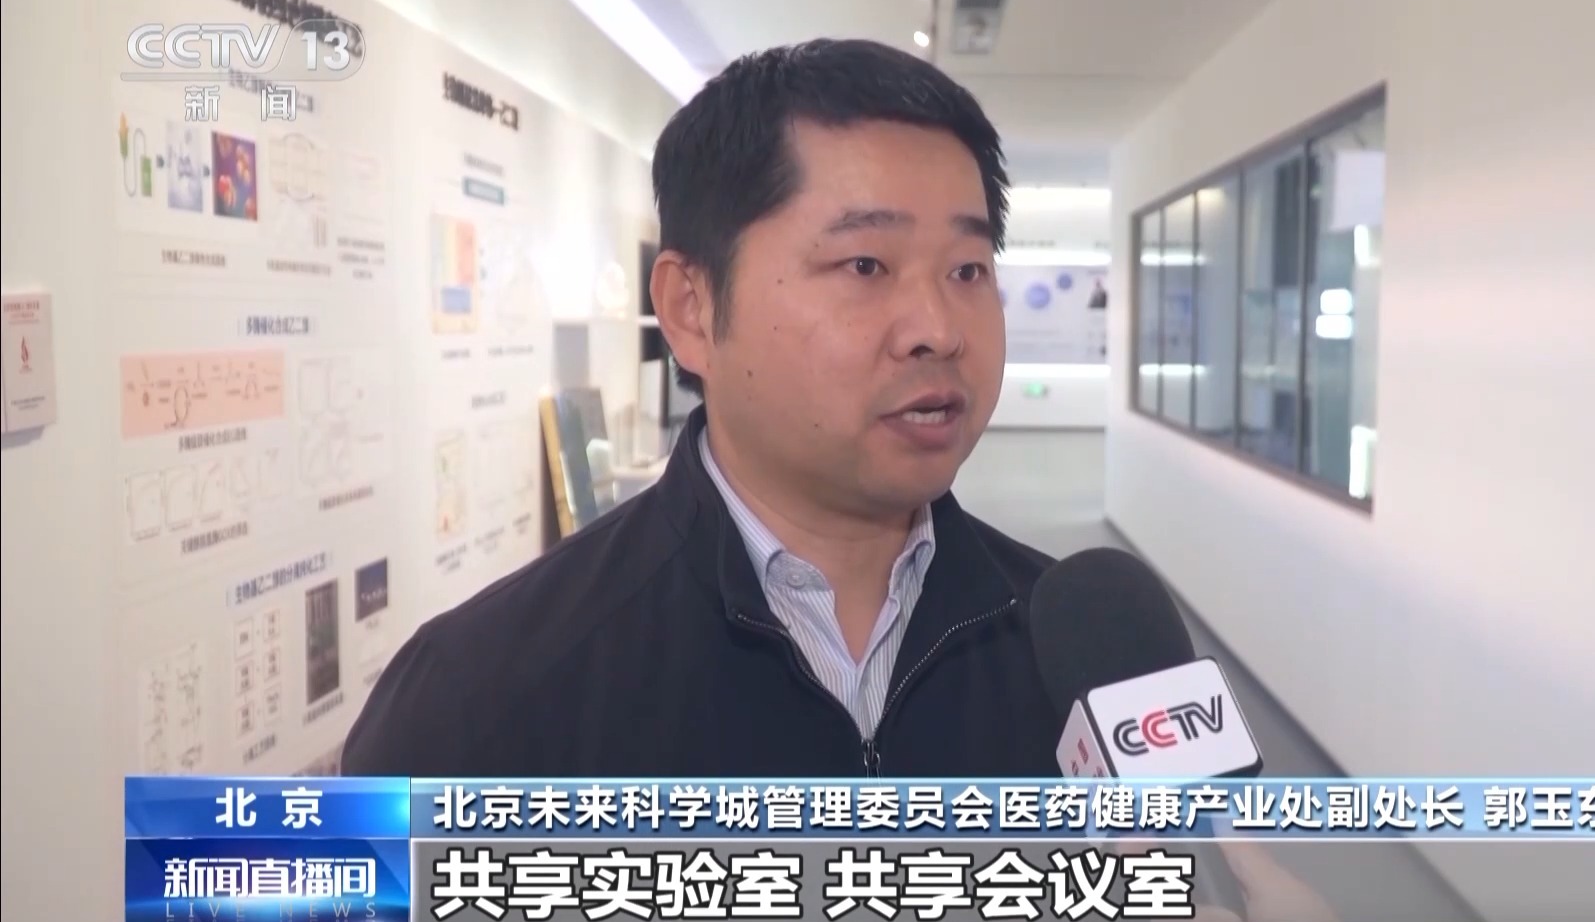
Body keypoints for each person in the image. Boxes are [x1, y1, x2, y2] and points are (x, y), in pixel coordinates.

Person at [341, 39, 1061, 776]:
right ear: (690, 309)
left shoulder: (1076, 658)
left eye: (968, 271)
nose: (938, 329)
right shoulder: (476, 703)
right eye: (865, 265)